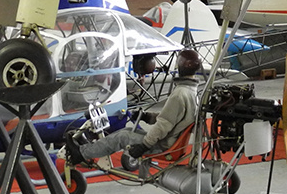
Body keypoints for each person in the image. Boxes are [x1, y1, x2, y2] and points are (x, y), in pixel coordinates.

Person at [69, 49, 202, 163]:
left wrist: (144, 145)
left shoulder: (179, 94)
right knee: (127, 131)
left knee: (121, 137)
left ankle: (81, 154)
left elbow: (164, 124)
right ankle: (89, 149)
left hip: (163, 145)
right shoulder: (191, 92)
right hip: (170, 141)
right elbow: (172, 118)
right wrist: (147, 117)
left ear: (180, 65)